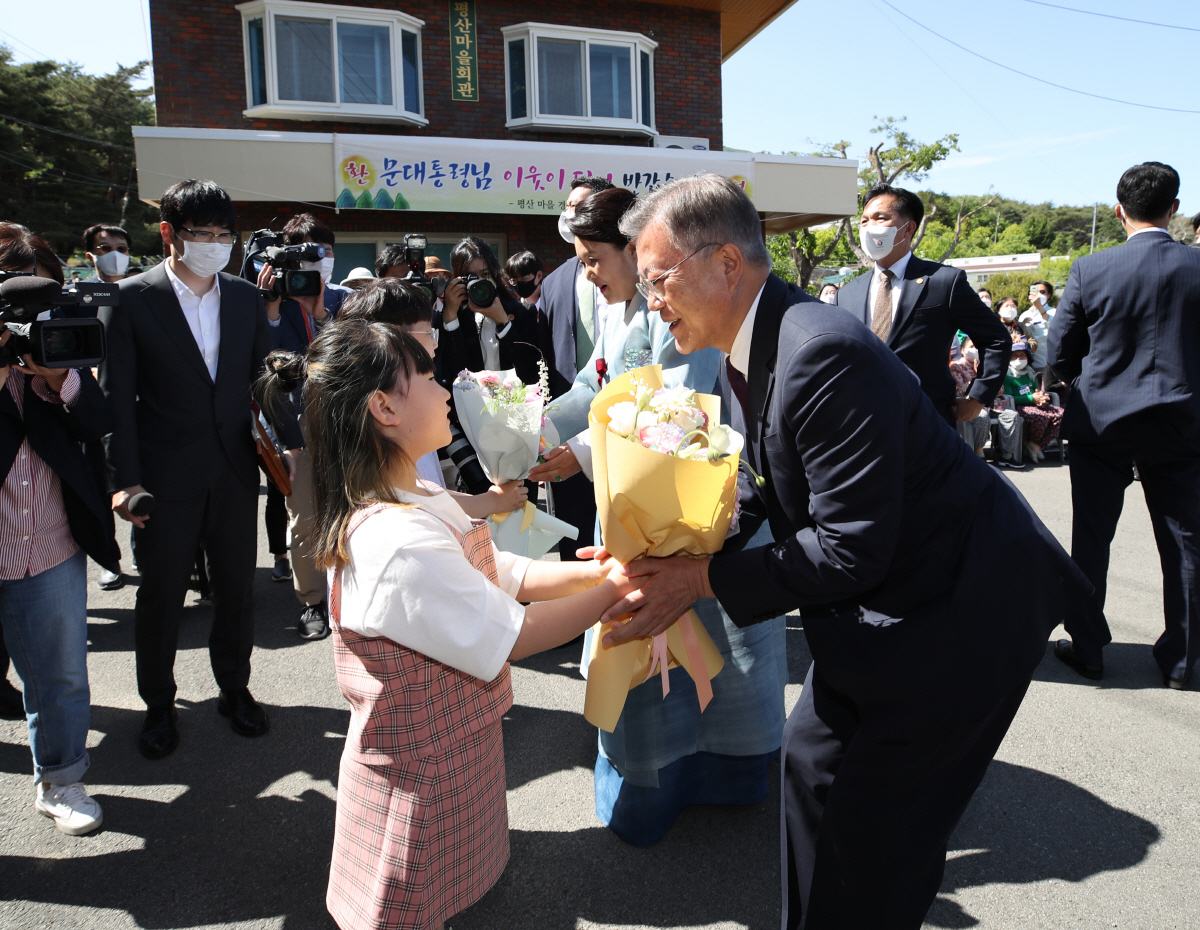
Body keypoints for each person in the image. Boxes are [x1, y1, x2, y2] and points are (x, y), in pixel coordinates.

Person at [600, 173, 1091, 929]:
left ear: (726, 264)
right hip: (881, 607)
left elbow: (849, 549)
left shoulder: (818, 350)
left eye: (658, 279)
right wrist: (685, 535)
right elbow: (776, 478)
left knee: (874, 847)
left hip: (956, 616)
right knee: (809, 768)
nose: (650, 301)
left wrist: (696, 579)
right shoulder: (761, 339)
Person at [257, 318, 633, 930]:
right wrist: (614, 589)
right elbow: (516, 632)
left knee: (441, 900)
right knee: (411, 907)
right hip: (420, 773)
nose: (443, 391)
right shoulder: (397, 538)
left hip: (450, 750)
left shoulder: (411, 495)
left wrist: (590, 575)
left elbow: (495, 570)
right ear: (383, 407)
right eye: (427, 377)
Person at [531, 188, 785, 846]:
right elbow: (612, 387)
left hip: (730, 506)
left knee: (734, 656)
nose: (591, 272)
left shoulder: (767, 320)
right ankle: (652, 790)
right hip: (646, 505)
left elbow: (718, 419)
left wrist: (586, 450)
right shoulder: (643, 310)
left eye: (656, 271)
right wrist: (556, 438)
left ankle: (731, 776)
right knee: (649, 656)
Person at [99, 179, 274, 759]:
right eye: (204, 234)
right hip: (161, 476)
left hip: (232, 469)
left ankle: (235, 688)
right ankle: (158, 705)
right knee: (161, 594)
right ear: (169, 233)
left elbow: (262, 388)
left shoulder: (246, 297)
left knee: (236, 589)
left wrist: (289, 449)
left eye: (226, 235)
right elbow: (116, 398)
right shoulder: (130, 297)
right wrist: (125, 481)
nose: (217, 245)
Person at [1047, 161, 1200, 690]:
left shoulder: (1093, 268)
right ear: (1174, 209)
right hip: (1183, 421)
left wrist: (1071, 382)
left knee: (1091, 538)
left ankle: (1088, 647)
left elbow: (1061, 346)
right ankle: (1182, 661)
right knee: (1185, 542)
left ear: (1119, 210)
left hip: (1103, 422)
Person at [0, 224, 119, 835]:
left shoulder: (56, 350)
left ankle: (62, 781)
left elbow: (101, 422)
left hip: (48, 543)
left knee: (62, 672)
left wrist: (58, 381)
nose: (33, 321)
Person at [327, 277, 528, 519]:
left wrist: (492, 498)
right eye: (428, 332)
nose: (435, 343)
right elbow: (420, 505)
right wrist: (491, 502)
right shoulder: (398, 421)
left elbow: (431, 492)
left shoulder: (392, 405)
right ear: (387, 338)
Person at [836, 185, 1012, 425]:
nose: (869, 227)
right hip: (862, 423)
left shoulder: (943, 282)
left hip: (925, 422)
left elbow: (996, 339)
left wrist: (977, 397)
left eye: (881, 218)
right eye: (864, 221)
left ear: (908, 228)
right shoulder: (847, 293)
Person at [257, 213, 352, 638]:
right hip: (297, 429)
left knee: (355, 512)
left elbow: (356, 357)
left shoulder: (346, 298)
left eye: (325, 252)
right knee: (306, 518)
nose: (319, 261)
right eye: (309, 253)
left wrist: (323, 316)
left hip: (347, 425)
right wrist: (272, 310)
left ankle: (353, 595)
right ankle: (311, 601)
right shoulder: (267, 300)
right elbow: (261, 366)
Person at [529, 177, 616, 561]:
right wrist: (535, 429)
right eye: (584, 263)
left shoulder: (657, 304)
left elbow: (660, 397)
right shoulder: (557, 281)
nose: (590, 275)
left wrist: (581, 449)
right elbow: (590, 382)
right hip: (574, 440)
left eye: (593, 260)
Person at [441, 236, 548, 389]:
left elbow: (529, 368)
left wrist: (503, 323)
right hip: (472, 406)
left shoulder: (523, 311)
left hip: (516, 404)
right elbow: (455, 370)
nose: (478, 283)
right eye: (470, 277)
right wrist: (450, 314)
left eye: (485, 274)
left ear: (494, 272)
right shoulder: (457, 318)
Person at [1004, 341, 1063, 463]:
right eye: (1015, 355)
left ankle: (1036, 445)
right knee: (1041, 417)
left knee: (1061, 414)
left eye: (1022, 355)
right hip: (1018, 407)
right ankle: (1033, 446)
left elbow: (1036, 390)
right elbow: (1009, 397)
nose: (1019, 358)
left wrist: (1040, 397)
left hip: (1034, 404)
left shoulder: (1030, 372)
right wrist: (1031, 398)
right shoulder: (1007, 374)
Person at [950, 338, 989, 456]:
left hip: (992, 404)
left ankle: (1007, 454)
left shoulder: (984, 365)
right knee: (982, 416)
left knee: (1012, 415)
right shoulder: (956, 367)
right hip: (968, 403)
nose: (975, 349)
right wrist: (978, 376)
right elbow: (962, 390)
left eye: (977, 346)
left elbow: (1000, 389)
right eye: (972, 346)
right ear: (962, 350)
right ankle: (978, 452)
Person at [1019, 281, 1055, 371]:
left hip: (1047, 364)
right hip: (1027, 365)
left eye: (1042, 292)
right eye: (1036, 292)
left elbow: (1054, 328)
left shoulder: (1054, 312)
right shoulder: (1024, 315)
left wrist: (1040, 306)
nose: (1038, 295)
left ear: (1049, 295)